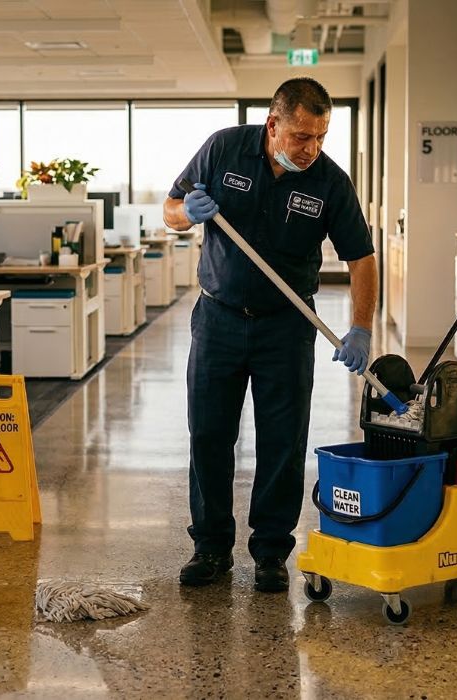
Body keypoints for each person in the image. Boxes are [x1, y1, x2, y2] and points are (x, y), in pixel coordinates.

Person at [163, 77, 378, 593]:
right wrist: (185, 216)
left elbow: (361, 259)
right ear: (273, 124)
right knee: (210, 435)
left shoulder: (329, 181)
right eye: (302, 136)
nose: (312, 148)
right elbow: (171, 209)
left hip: (287, 326)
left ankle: (270, 552)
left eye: (322, 137)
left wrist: (362, 328)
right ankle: (210, 548)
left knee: (283, 442)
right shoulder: (223, 148)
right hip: (218, 319)